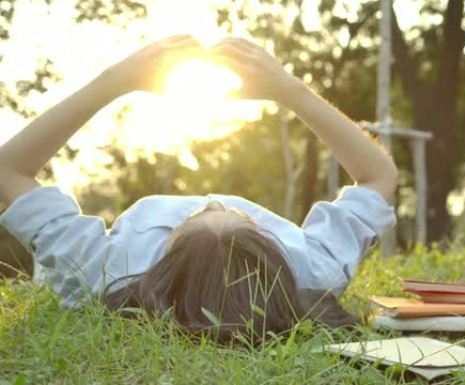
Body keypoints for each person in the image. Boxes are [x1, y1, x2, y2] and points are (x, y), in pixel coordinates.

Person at [0, 35, 398, 342]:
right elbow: (379, 176)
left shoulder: (106, 274)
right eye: (241, 217)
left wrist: (116, 81)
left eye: (197, 216)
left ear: (166, 258)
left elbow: (9, 168)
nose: (212, 200)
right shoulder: (308, 273)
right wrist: (288, 89)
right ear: (270, 251)